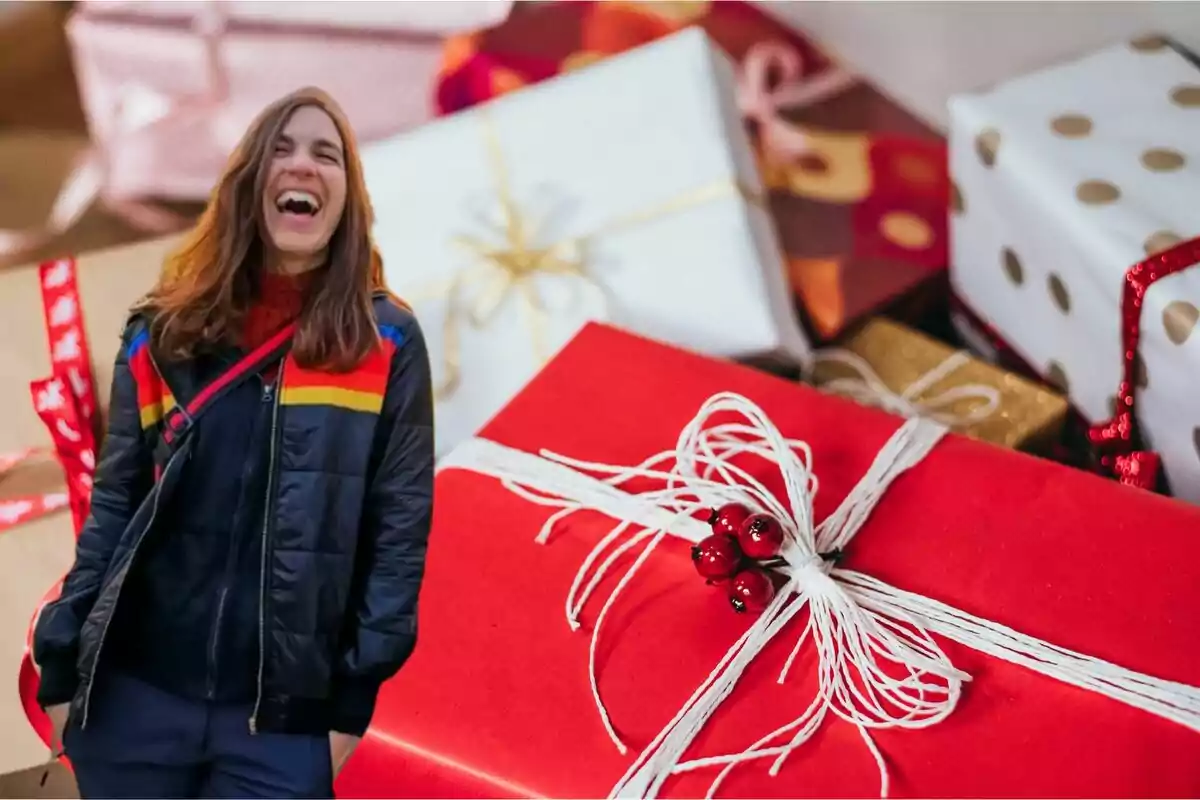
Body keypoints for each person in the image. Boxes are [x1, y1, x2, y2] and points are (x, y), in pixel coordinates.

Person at [31, 86, 435, 799]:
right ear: (247, 183)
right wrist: (62, 666)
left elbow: (398, 532)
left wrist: (350, 705)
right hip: (132, 701)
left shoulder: (385, 342)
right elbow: (116, 501)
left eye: (326, 154)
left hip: (283, 727)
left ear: (349, 196)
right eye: (280, 149)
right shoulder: (165, 331)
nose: (302, 166)